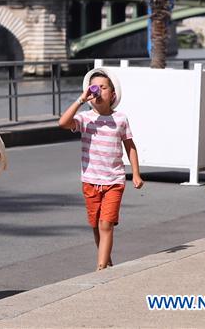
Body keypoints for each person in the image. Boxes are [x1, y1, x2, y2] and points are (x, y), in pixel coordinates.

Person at [58, 68, 143, 271]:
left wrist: (136, 174)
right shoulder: (85, 118)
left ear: (112, 94)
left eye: (103, 88)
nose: (97, 92)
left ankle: (101, 267)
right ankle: (107, 261)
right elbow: (62, 123)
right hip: (90, 180)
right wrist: (80, 99)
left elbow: (130, 147)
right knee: (96, 225)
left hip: (114, 180)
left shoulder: (121, 119)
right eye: (94, 88)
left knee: (106, 225)